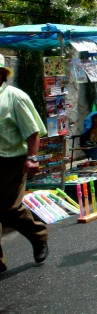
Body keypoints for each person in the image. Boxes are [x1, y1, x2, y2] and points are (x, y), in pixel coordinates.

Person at [0, 54, 49, 272]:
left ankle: (38, 235)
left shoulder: (15, 97)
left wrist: (32, 157)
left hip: (12, 161)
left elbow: (32, 132)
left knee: (8, 208)